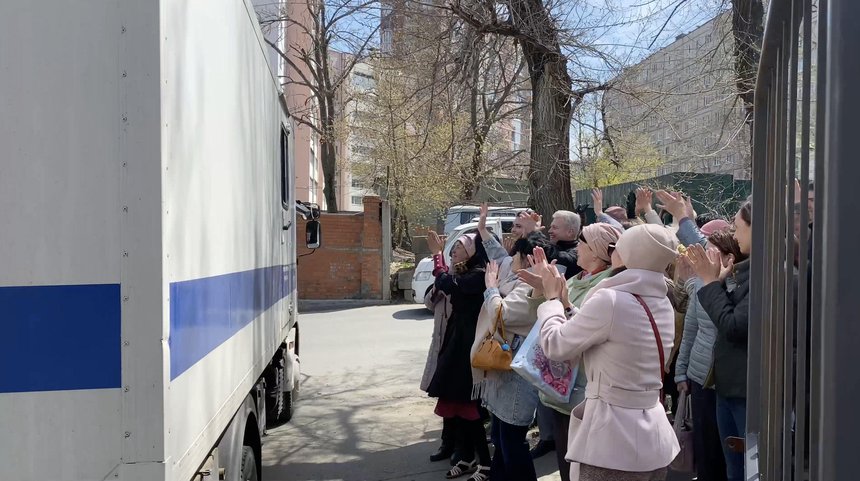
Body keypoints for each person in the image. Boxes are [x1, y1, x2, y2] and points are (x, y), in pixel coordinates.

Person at [535, 224, 681, 481]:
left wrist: (550, 302)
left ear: (629, 254)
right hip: (654, 438)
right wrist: (568, 306)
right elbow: (611, 337)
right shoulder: (661, 301)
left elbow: (555, 345)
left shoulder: (611, 300)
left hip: (611, 440)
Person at [518, 222, 623, 481]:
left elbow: (572, 332)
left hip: (582, 391)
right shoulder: (576, 280)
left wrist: (554, 298)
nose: (577, 246)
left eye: (583, 242)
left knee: (582, 468)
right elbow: (542, 323)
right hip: (558, 387)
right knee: (566, 463)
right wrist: (541, 289)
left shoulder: (607, 288)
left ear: (598, 252)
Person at [474, 235, 556, 481]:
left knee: (511, 440)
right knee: (502, 437)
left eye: (515, 254)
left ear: (526, 257)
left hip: (519, 371)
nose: (510, 259)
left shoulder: (535, 285)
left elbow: (503, 314)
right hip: (510, 368)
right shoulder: (522, 281)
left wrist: (491, 288)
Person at [685, 199, 752, 481]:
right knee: (729, 464)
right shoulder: (743, 273)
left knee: (747, 468)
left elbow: (733, 326)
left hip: (746, 391)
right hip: (725, 385)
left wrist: (712, 284)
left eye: (737, 228)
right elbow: (693, 329)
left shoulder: (770, 274)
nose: (734, 234)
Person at [425, 230, 492, 480]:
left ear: (474, 251)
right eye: (455, 247)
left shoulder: (478, 276)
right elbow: (441, 285)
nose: (456, 250)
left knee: (468, 406)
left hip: (469, 345)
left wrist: (437, 256)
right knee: (456, 404)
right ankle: (465, 457)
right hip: (456, 341)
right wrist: (442, 258)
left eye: (462, 247)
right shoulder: (464, 272)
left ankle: (484, 462)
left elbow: (446, 283)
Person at [421, 283, 457, 464]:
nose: (453, 259)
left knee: (460, 400)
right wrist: (439, 284)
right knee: (445, 397)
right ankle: (447, 443)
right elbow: (428, 302)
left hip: (458, 346)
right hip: (440, 346)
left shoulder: (467, 280)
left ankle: (461, 447)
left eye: (456, 255)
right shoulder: (443, 279)